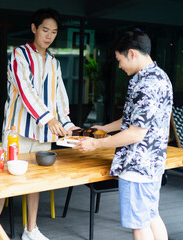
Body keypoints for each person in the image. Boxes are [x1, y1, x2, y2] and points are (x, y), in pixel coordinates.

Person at [0, 8, 77, 240]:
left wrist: (66, 124)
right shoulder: (19, 55)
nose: (49, 36)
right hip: (18, 130)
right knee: (4, 182)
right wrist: (49, 118)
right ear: (34, 28)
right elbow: (25, 90)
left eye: (54, 32)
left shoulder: (55, 62)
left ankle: (30, 230)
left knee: (36, 182)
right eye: (45, 30)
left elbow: (59, 95)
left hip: (43, 134)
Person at [74, 29, 172, 240]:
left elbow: (135, 134)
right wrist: (104, 129)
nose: (119, 65)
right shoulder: (159, 76)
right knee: (151, 216)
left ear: (132, 53)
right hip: (152, 165)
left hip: (137, 166)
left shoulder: (147, 84)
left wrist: (96, 145)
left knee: (139, 225)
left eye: (120, 60)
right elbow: (132, 120)